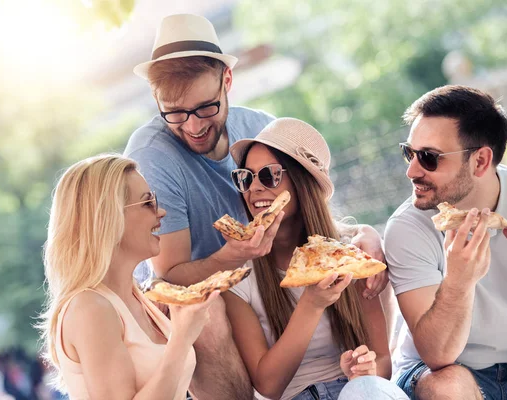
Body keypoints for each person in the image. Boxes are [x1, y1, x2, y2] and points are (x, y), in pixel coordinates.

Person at [124, 13, 389, 398]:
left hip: (269, 283)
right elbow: (169, 278)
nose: (194, 126)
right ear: (156, 100)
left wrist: (364, 233)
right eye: (175, 113)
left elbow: (317, 216)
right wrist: (231, 259)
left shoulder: (261, 130)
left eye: (206, 108)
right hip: (216, 295)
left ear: (227, 82)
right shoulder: (153, 157)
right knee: (208, 309)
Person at [224, 118, 409, 400]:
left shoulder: (348, 255)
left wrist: (364, 370)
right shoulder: (239, 276)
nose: (255, 188)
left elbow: (382, 362)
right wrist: (311, 304)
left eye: (269, 175)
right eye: (246, 178)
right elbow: (267, 386)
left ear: (302, 183)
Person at [383, 85, 507, 399]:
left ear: (481, 161)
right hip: (447, 370)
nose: (411, 171)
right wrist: (458, 282)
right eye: (408, 153)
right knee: (447, 387)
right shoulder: (407, 228)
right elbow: (437, 355)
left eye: (428, 157)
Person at [38, 154, 219, 399]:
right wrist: (182, 338)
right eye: (148, 203)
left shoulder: (137, 299)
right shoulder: (90, 308)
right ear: (108, 217)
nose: (162, 212)